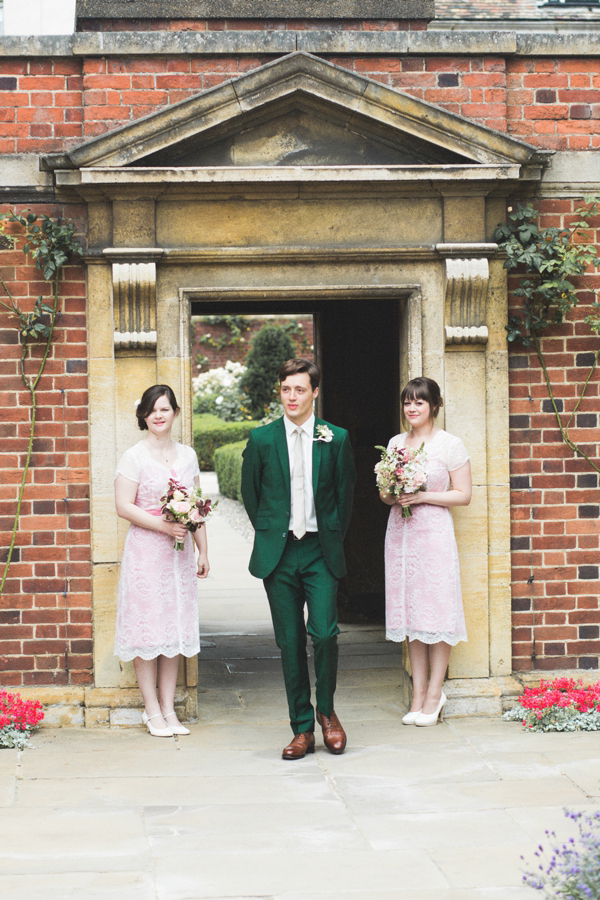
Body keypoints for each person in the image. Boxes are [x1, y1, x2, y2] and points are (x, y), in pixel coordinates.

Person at [241, 359, 356, 759]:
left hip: (320, 552)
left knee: (324, 634)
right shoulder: (261, 439)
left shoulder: (335, 438)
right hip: (280, 553)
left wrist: (329, 540)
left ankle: (327, 713)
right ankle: (301, 729)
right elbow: (251, 495)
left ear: (315, 392)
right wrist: (273, 532)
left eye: (300, 389)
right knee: (289, 642)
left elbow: (346, 498)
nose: (292, 396)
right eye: (286, 389)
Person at [114, 384, 210, 738]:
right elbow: (123, 506)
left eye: (165, 409)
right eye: (152, 409)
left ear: (175, 413)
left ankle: (169, 709)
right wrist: (164, 525)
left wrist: (203, 549)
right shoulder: (134, 456)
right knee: (147, 630)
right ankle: (151, 711)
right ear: (143, 415)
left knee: (174, 630)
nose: (159, 415)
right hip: (146, 553)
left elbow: (196, 506)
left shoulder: (188, 456)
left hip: (180, 557)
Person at [380, 376, 471, 727]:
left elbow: (463, 494)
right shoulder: (395, 442)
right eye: (407, 402)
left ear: (433, 405)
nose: (411, 408)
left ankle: (435, 693)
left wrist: (422, 496)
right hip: (401, 535)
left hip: (433, 534)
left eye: (419, 402)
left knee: (437, 609)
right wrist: (394, 491)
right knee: (411, 614)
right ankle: (417, 694)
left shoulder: (449, 444)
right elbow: (385, 496)